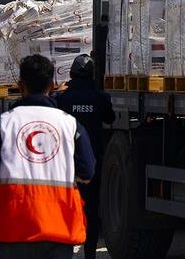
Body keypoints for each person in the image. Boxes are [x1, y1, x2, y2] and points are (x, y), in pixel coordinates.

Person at [0, 54, 96, 259]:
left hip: (11, 232)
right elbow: (87, 172)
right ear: (52, 85)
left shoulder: (4, 124)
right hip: (59, 230)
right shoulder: (70, 125)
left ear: (20, 85)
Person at [56, 54, 115, 259]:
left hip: (66, 165)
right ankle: (89, 253)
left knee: (65, 208)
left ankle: (66, 250)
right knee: (91, 210)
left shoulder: (62, 99)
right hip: (92, 164)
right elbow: (110, 118)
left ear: (71, 74)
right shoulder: (100, 98)